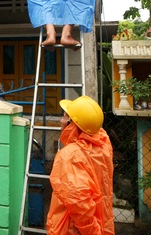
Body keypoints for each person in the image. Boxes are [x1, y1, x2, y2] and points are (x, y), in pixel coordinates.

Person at [46, 96, 115, 235]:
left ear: (73, 125)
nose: (61, 121)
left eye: (65, 117)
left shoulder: (70, 156)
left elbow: (79, 203)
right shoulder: (103, 145)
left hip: (72, 228)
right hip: (101, 222)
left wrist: (93, 232)